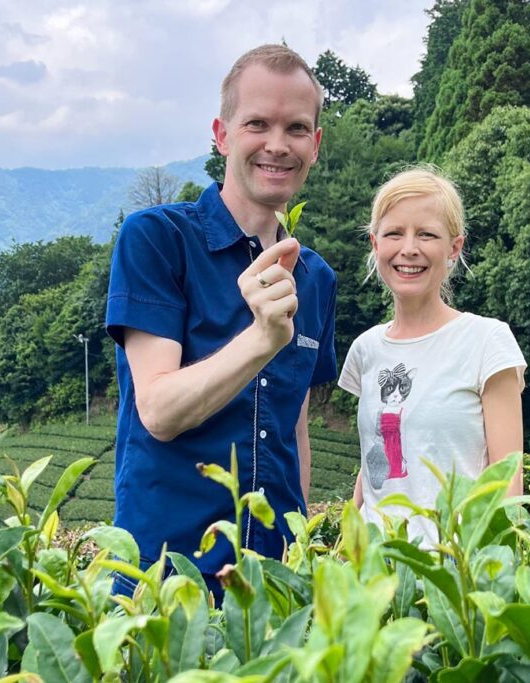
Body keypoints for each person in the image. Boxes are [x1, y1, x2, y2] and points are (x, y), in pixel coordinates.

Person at [105, 45, 337, 596]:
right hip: (166, 580)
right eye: (257, 123)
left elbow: (294, 427)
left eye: (297, 128)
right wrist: (261, 339)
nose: (278, 145)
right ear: (223, 134)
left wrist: (298, 552)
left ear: (316, 144)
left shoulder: (317, 278)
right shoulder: (158, 240)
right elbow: (158, 410)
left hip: (273, 584)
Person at [338, 167, 525, 546]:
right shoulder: (366, 349)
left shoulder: (487, 342)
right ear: (375, 244)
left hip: (451, 574)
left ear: (454, 247)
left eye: (426, 234)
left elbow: (508, 482)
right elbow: (375, 459)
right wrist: (344, 546)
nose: (409, 248)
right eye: (394, 233)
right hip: (374, 574)